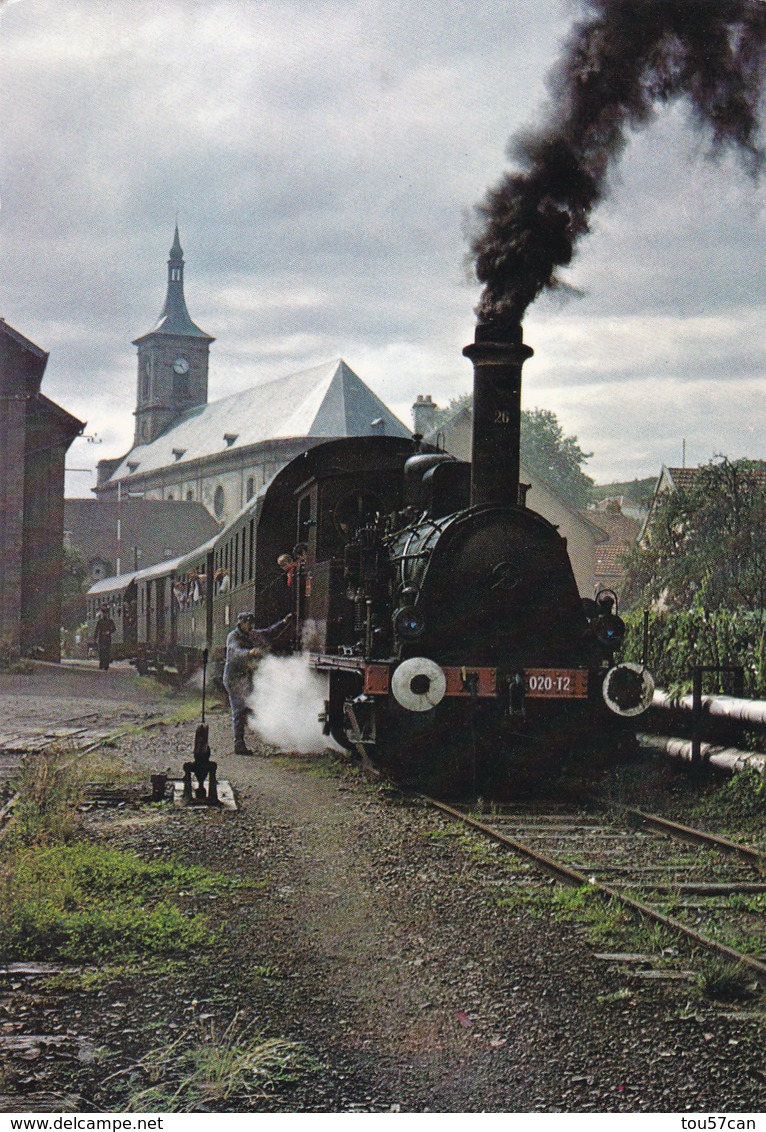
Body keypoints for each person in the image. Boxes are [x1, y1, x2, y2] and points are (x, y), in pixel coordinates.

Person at [222, 610, 292, 755]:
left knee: (253, 704)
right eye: (248, 623)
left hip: (245, 677)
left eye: (251, 623)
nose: (251, 626)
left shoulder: (252, 634)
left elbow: (268, 633)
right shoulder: (233, 636)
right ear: (240, 623)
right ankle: (239, 745)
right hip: (234, 678)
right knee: (238, 710)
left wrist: (283, 623)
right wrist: (250, 652)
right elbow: (234, 652)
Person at [93, 605, 117, 671]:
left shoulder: (110, 621)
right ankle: (102, 664)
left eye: (105, 613)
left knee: (107, 651)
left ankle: (106, 664)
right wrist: (95, 638)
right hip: (101, 638)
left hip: (107, 638)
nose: (104, 614)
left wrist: (109, 632)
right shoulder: (100, 622)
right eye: (104, 613)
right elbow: (97, 630)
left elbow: (114, 629)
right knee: (101, 651)